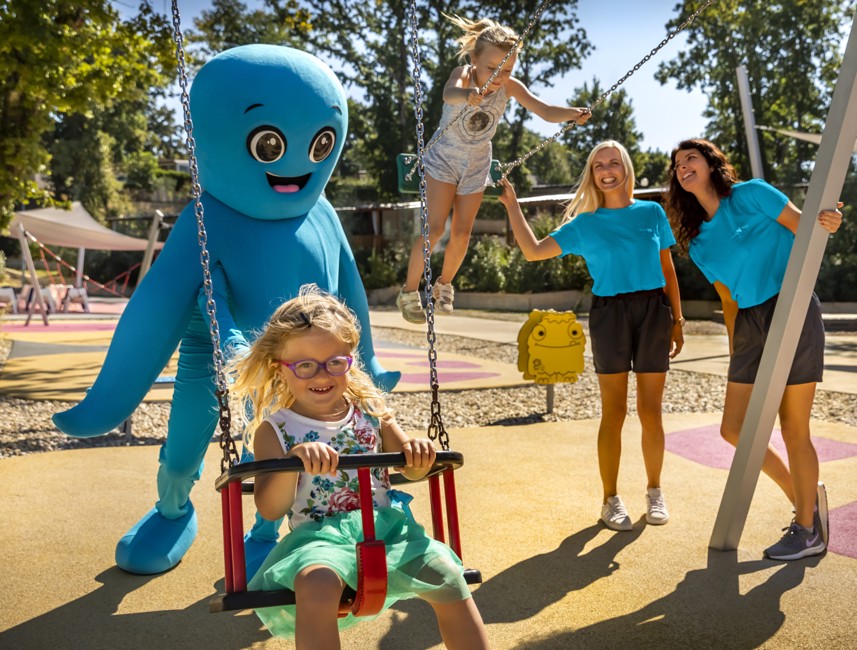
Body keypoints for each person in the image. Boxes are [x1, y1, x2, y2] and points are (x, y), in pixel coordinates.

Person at [228, 285, 488, 649]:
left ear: (350, 360)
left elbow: (413, 470)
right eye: (304, 365)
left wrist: (418, 449)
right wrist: (294, 462)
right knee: (316, 586)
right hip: (319, 539)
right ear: (280, 369)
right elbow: (270, 508)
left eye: (335, 362)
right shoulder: (277, 430)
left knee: (447, 573)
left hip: (390, 532)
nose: (322, 375)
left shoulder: (372, 415)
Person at [665, 138, 843, 560]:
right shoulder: (699, 242)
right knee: (734, 429)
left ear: (710, 163)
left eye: (690, 157)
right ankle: (803, 499)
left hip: (792, 305)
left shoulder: (753, 194)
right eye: (676, 164)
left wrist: (829, 222)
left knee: (793, 427)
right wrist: (736, 348)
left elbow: (807, 227)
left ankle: (807, 530)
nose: (683, 166)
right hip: (748, 324)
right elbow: (728, 298)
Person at [499, 140, 685, 532]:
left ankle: (654, 491)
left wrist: (678, 320)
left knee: (651, 412)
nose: (606, 170)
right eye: (599, 165)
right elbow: (533, 252)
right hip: (609, 315)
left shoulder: (652, 213)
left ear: (625, 168)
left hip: (654, 311)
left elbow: (668, 270)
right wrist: (512, 205)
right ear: (592, 174)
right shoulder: (584, 224)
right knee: (613, 413)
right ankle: (610, 499)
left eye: (613, 162)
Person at [397, 13, 592, 323]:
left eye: (507, 70)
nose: (498, 77)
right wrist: (466, 95)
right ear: (475, 58)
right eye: (492, 69)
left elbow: (543, 110)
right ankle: (408, 292)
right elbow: (449, 93)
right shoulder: (463, 74)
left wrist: (572, 113)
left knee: (462, 233)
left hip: (477, 164)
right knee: (435, 229)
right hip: (444, 159)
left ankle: (444, 285)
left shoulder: (509, 86)